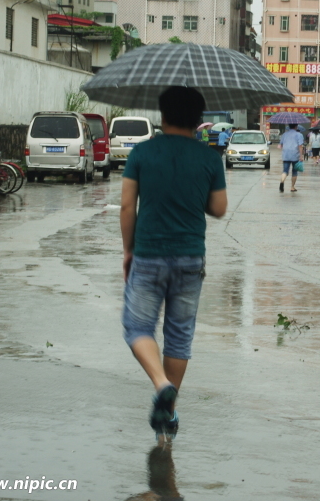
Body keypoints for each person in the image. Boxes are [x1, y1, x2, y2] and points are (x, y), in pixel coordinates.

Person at [120, 86, 227, 441]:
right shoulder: (210, 158)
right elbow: (219, 208)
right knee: (179, 336)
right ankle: (169, 412)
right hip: (190, 257)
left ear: (162, 116)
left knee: (137, 328)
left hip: (148, 254)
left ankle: (161, 384)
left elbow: (126, 207)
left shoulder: (142, 152)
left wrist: (128, 251)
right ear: (199, 122)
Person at [278, 124, 304, 193]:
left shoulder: (284, 134)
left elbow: (281, 144)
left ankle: (282, 181)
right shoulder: (299, 135)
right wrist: (301, 156)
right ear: (296, 127)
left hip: (286, 155)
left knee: (285, 171)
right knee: (294, 172)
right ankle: (292, 187)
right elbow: (300, 146)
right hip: (295, 155)